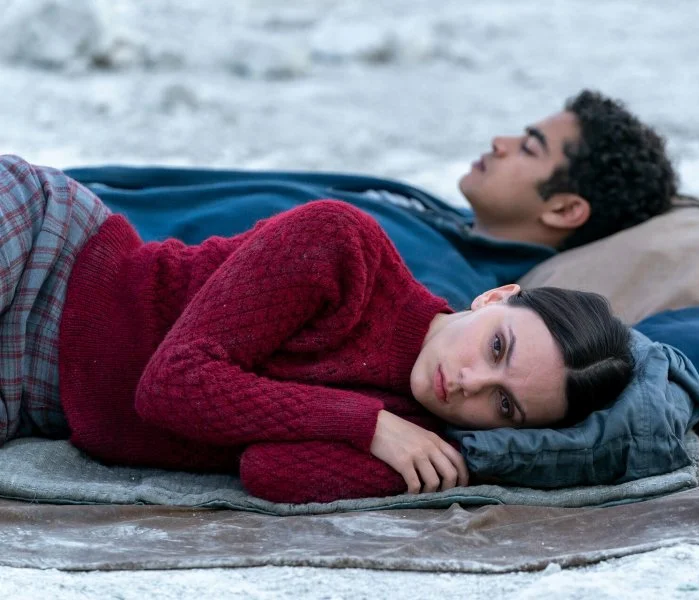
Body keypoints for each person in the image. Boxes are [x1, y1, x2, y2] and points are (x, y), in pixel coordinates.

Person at [1, 155, 633, 504]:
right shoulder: (342, 246)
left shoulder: (418, 439)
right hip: (48, 254)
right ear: (496, 297)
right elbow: (171, 385)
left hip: (27, 394)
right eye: (497, 347)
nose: (469, 383)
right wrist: (366, 424)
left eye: (504, 405)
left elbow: (272, 473)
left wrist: (472, 460)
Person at [66, 89, 678, 309]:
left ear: (564, 210)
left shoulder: (436, 283)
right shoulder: (435, 218)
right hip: (72, 200)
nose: (501, 141)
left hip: (73, 258)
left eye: (530, 147)